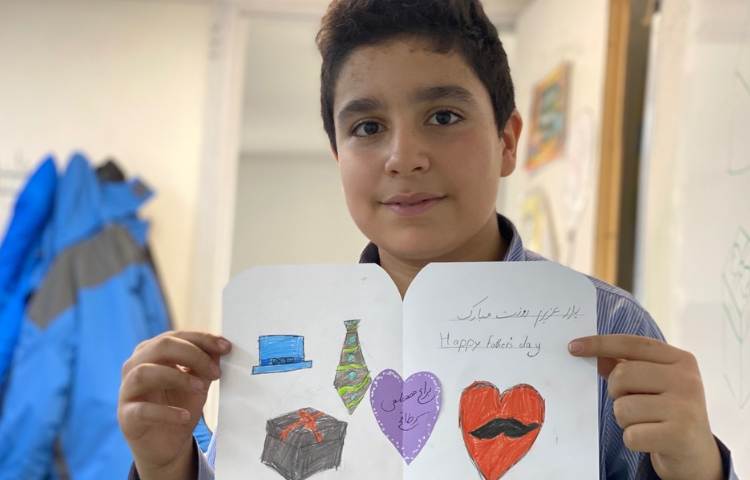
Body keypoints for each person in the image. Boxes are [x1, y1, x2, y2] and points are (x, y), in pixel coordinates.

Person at [118, 1, 738, 479]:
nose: (403, 157)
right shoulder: (283, 344)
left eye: (443, 117)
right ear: (338, 158)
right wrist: (167, 466)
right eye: (367, 127)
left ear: (507, 141)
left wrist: (699, 467)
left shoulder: (607, 331)